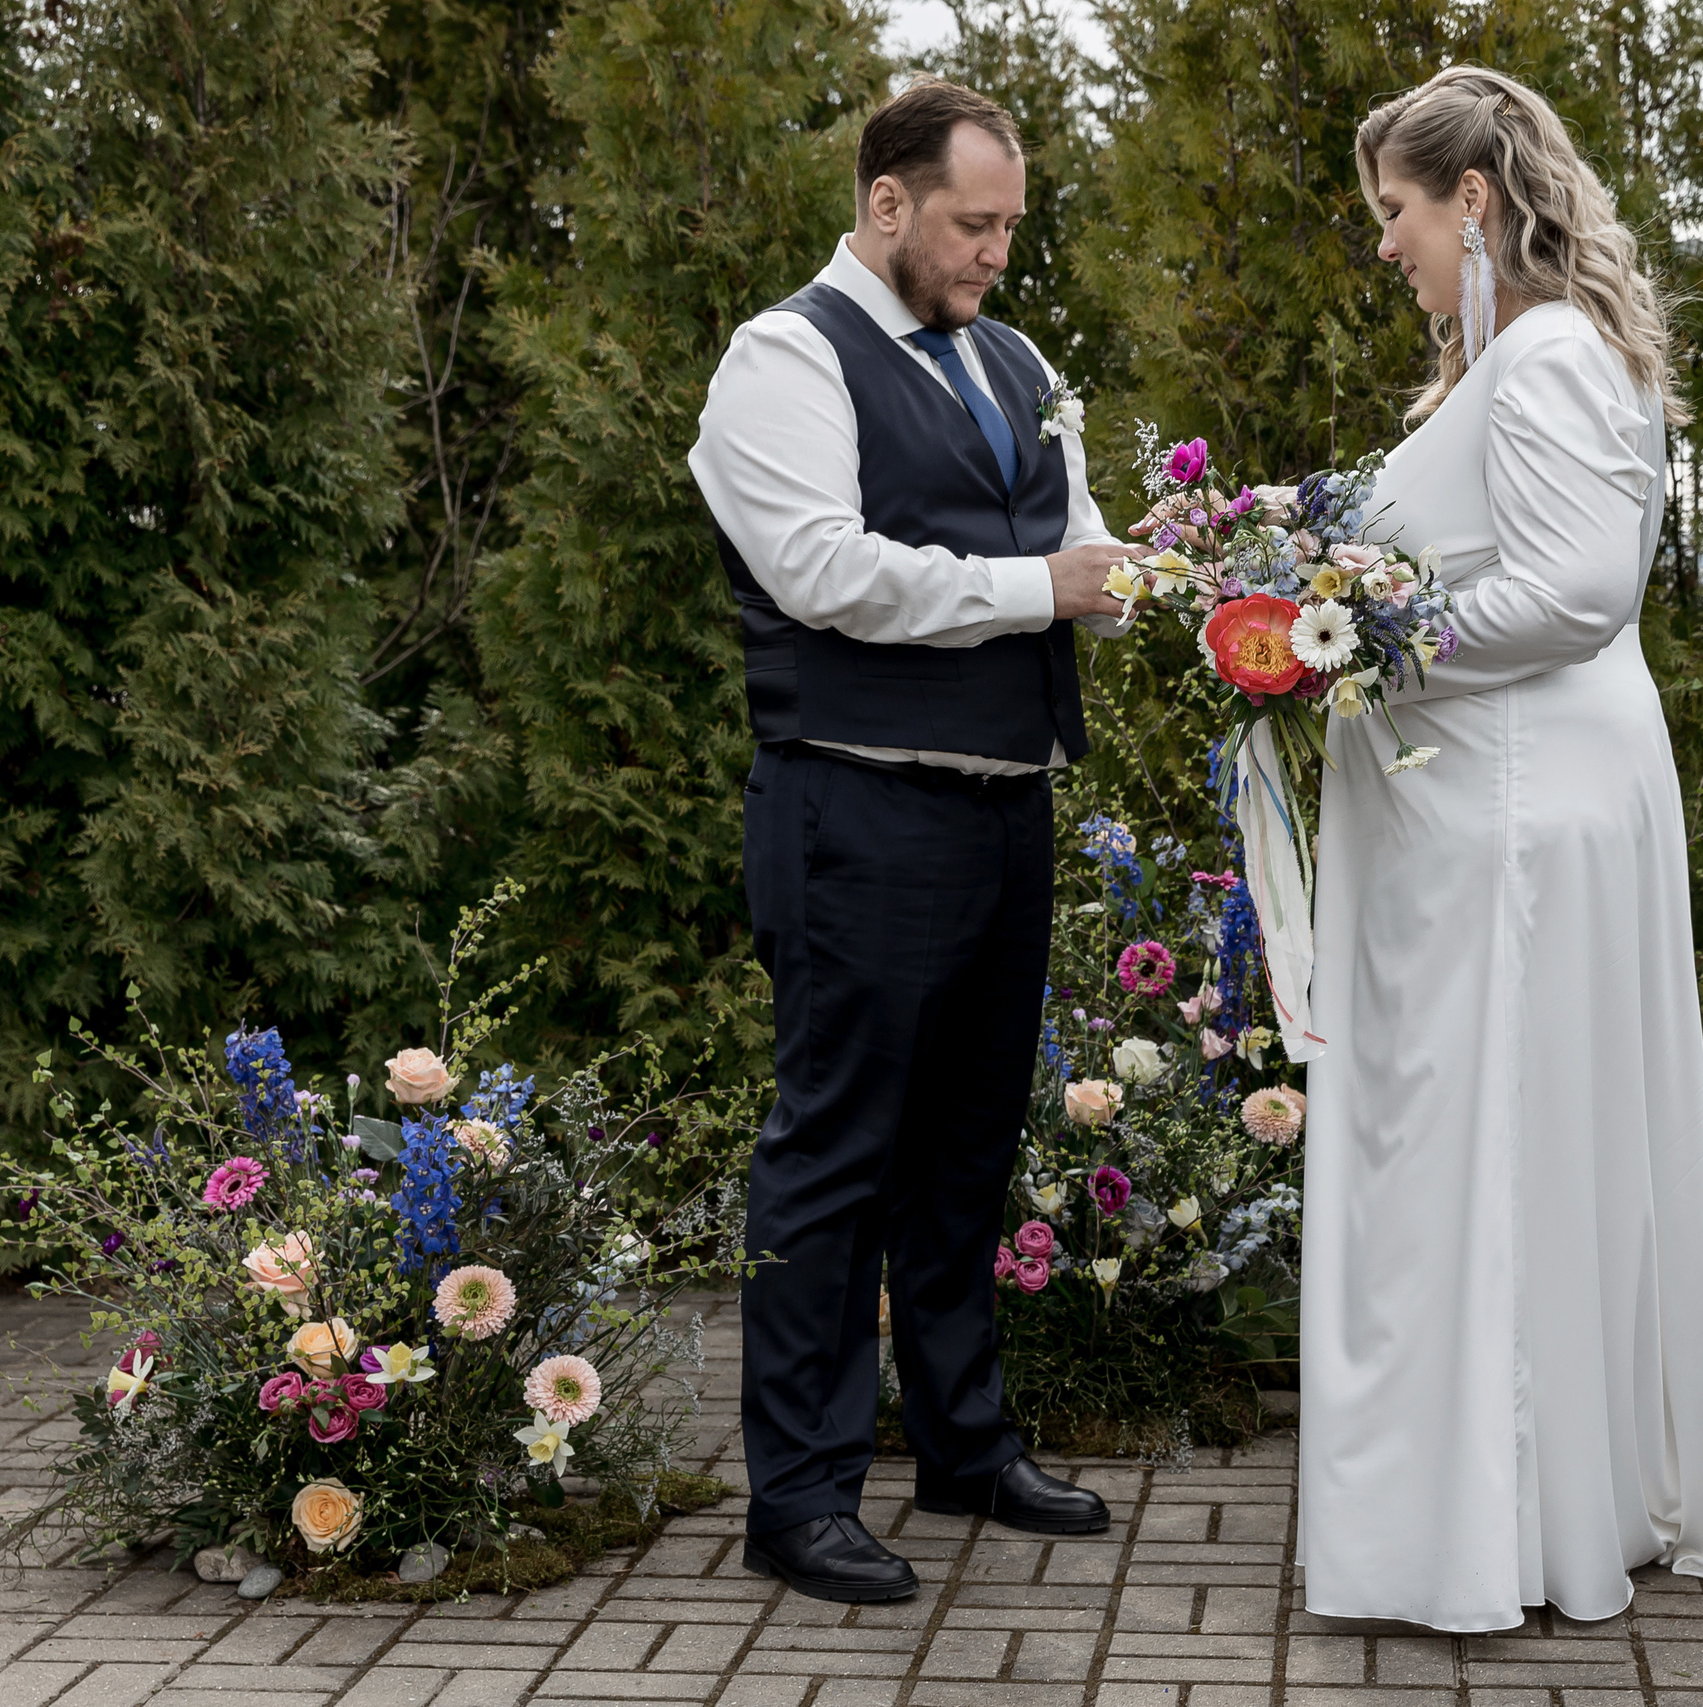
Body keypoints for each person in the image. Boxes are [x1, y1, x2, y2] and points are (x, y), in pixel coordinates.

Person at [1296, 66, 1703, 1631]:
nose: (1386, 246)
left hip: (1522, 811)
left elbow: (1575, 594)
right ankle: (1522, 1504)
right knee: (1509, 1139)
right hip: (1510, 793)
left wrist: (1350, 645)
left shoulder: (1539, 356)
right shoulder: (1528, 359)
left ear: (1470, 200)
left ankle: (1505, 1527)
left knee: (1503, 1142)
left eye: (1395, 213)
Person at [688, 79, 1135, 1603]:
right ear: (887, 203)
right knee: (832, 1159)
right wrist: (1043, 592)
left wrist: (1223, 574)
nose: (998, 253)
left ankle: (963, 1447)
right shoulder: (782, 358)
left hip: (1007, 809)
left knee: (964, 1151)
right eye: (972, 222)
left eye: (1011, 225)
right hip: (854, 808)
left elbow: (1083, 536)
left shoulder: (1015, 359)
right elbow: (825, 574)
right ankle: (799, 1497)